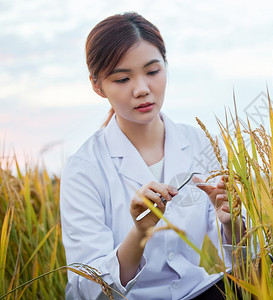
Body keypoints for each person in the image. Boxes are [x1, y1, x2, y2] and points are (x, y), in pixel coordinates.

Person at [60, 12, 245, 300]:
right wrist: (140, 232)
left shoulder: (200, 143)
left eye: (152, 71)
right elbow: (88, 288)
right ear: (97, 86)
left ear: (166, 67)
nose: (142, 89)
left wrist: (231, 222)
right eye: (122, 79)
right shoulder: (84, 168)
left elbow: (245, 262)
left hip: (195, 291)